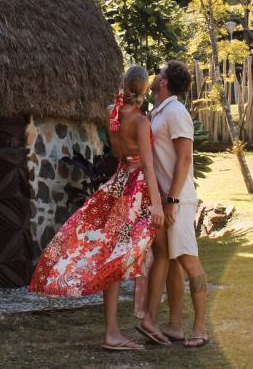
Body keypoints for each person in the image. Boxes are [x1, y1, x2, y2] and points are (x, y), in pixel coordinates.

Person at [28, 66, 165, 352]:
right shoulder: (140, 122)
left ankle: (113, 331)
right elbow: (148, 165)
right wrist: (157, 205)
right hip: (136, 187)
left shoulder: (111, 113)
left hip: (117, 182)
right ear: (143, 90)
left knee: (110, 254)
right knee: (124, 255)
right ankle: (135, 324)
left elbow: (117, 152)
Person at [137, 60, 210, 348]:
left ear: (165, 81)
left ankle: (201, 328)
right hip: (166, 199)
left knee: (189, 261)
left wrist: (173, 200)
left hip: (177, 200)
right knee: (173, 262)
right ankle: (176, 326)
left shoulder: (177, 112)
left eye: (160, 72)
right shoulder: (159, 112)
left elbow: (185, 159)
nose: (155, 76)